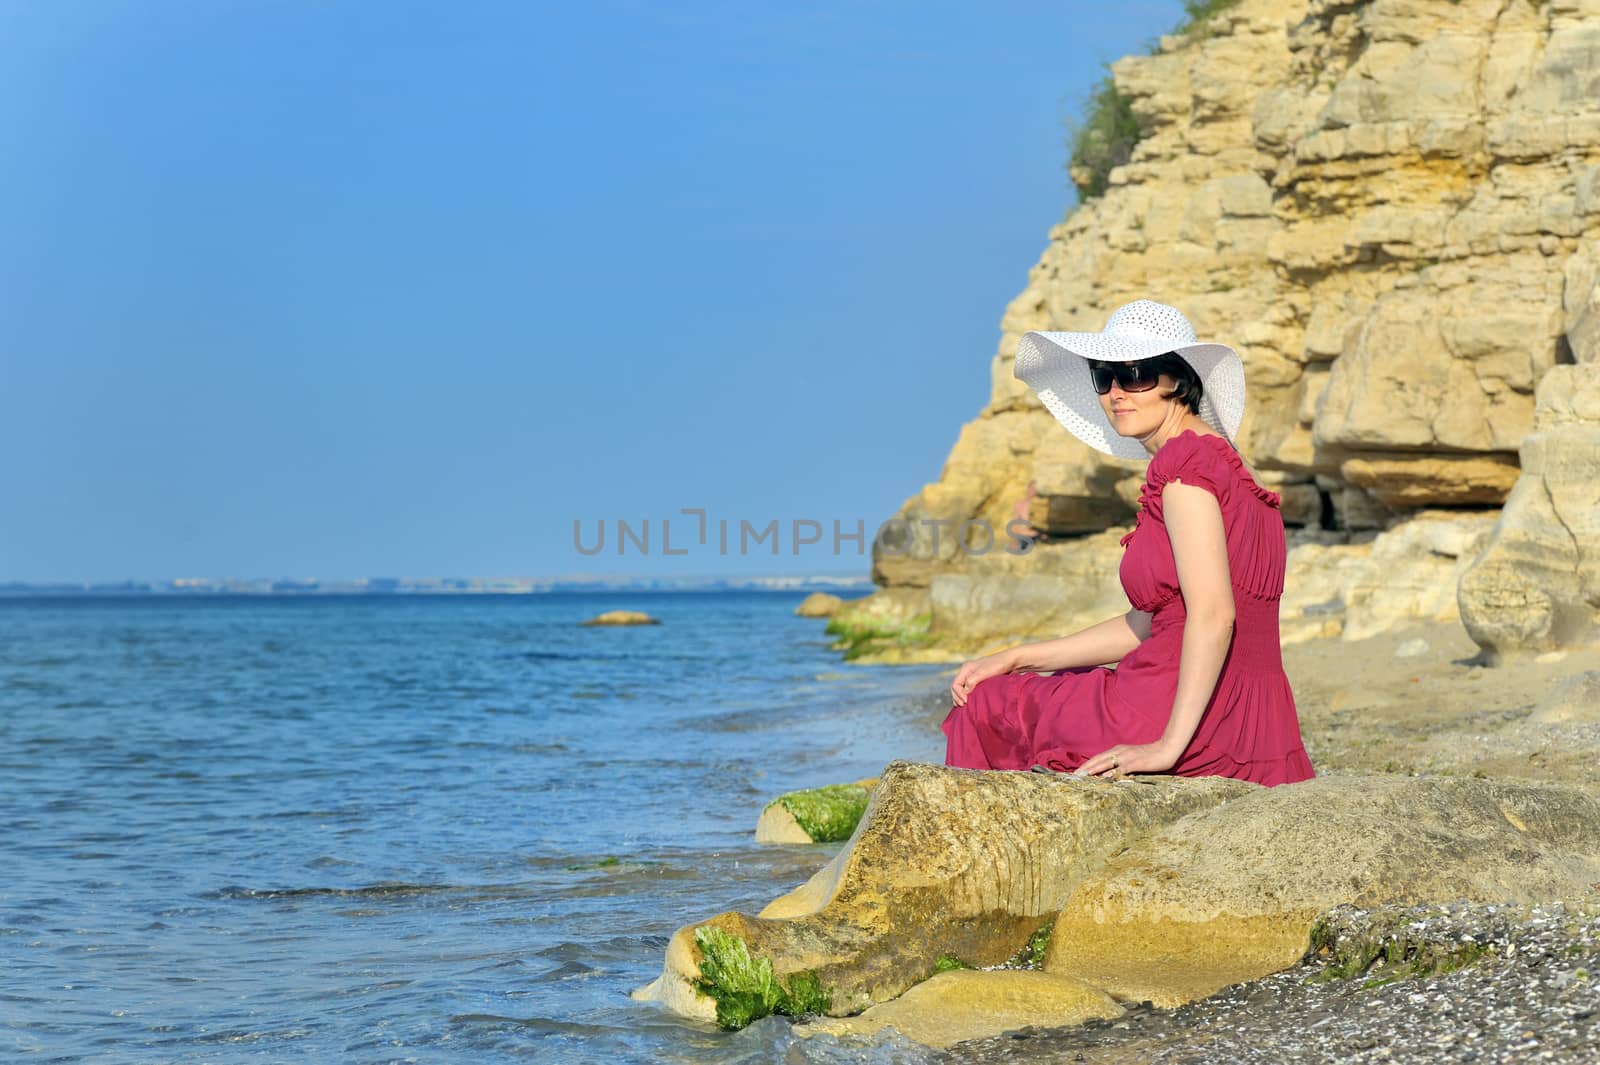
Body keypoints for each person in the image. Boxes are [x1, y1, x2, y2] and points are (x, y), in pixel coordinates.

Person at [941, 299, 1315, 786]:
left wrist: (1167, 747)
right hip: (1256, 716)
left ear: (1177, 382)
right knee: (1023, 684)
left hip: (1188, 714)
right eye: (1104, 377)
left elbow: (1214, 615)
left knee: (990, 705)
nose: (1116, 392)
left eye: (1135, 374)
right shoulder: (1226, 466)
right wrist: (1017, 656)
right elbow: (1152, 623)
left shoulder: (1183, 470)